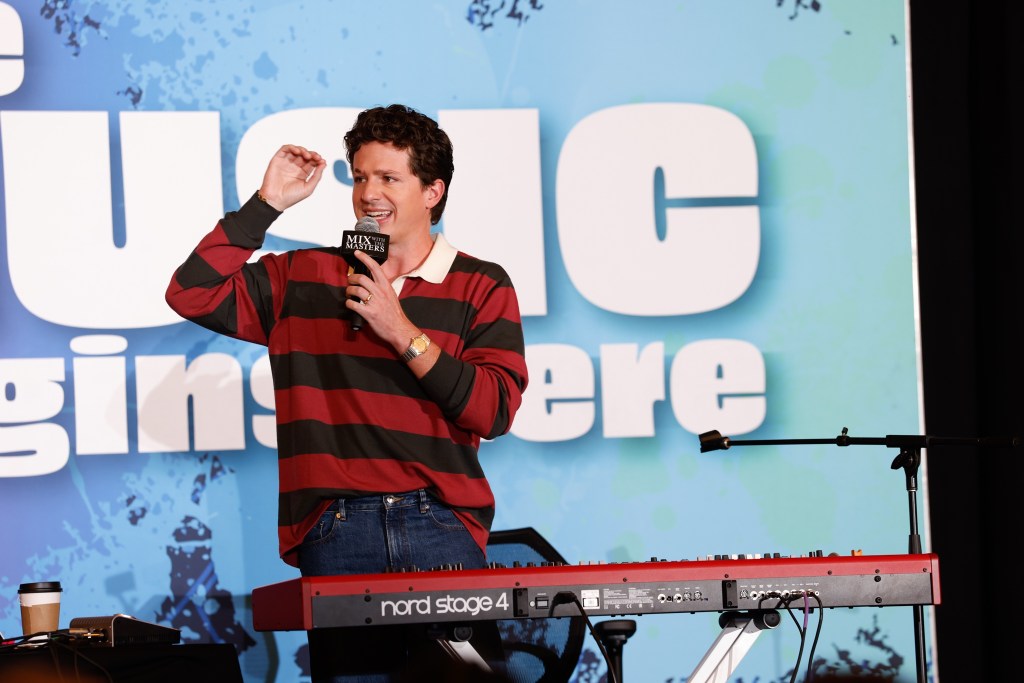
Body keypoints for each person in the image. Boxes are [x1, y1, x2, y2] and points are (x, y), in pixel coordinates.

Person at [166, 104, 528, 681]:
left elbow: (494, 409)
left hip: (440, 527)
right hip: (336, 531)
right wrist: (265, 205)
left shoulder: (481, 283)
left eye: (388, 178)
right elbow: (191, 292)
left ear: (432, 191)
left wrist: (400, 330)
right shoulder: (302, 275)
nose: (368, 194)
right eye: (360, 177)